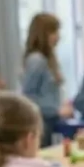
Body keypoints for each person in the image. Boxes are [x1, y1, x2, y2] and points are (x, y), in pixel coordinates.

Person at [22, 12, 73, 145]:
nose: (58, 36)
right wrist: (56, 110)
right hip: (42, 122)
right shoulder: (36, 60)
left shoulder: (48, 60)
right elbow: (28, 97)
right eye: (53, 32)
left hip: (50, 121)